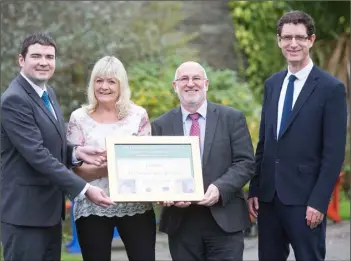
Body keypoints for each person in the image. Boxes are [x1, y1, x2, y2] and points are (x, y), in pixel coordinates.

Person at [0, 32, 115, 261]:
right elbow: (37, 154)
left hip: (48, 213)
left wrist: (75, 152)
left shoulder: (47, 93)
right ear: (21, 60)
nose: (44, 62)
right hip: (25, 216)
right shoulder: (14, 100)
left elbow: (50, 141)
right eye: (36, 56)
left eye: (49, 57)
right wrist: (84, 189)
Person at [248, 10, 347, 261]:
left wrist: (319, 200)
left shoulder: (330, 88)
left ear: (311, 40)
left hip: (306, 201)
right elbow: (265, 142)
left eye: (300, 38)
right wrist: (255, 189)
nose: (293, 43)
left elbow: (333, 152)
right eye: (287, 37)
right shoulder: (272, 84)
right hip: (269, 200)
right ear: (279, 41)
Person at [151, 61, 255, 261]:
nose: (190, 83)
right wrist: (164, 193)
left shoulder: (232, 118)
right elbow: (157, 170)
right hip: (181, 223)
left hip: (225, 219)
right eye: (184, 79)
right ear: (175, 86)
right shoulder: (160, 125)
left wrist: (220, 188)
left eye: (196, 78)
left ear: (206, 84)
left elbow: (246, 162)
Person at [66, 56, 156, 261]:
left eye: (111, 81)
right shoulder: (78, 117)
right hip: (92, 207)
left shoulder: (138, 116)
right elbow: (76, 171)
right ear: (92, 84)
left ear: (121, 85)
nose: (104, 86)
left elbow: (145, 164)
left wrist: (104, 165)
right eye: (99, 80)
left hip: (136, 205)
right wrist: (115, 166)